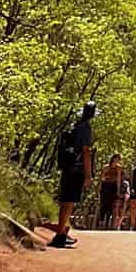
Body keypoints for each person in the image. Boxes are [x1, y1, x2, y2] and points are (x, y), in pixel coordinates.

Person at [49, 102, 95, 248]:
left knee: (66, 201)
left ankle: (62, 233)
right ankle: (60, 236)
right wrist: (88, 175)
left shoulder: (74, 125)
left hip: (67, 167)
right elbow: (86, 151)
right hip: (77, 169)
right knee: (69, 202)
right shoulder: (85, 128)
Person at [97, 153, 122, 230]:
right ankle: (101, 221)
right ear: (113, 158)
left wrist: (118, 190)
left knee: (111, 205)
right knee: (103, 204)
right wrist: (99, 189)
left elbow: (118, 180)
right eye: (116, 158)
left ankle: (108, 222)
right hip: (105, 186)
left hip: (113, 187)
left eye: (118, 159)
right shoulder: (106, 167)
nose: (117, 160)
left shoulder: (119, 168)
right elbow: (101, 178)